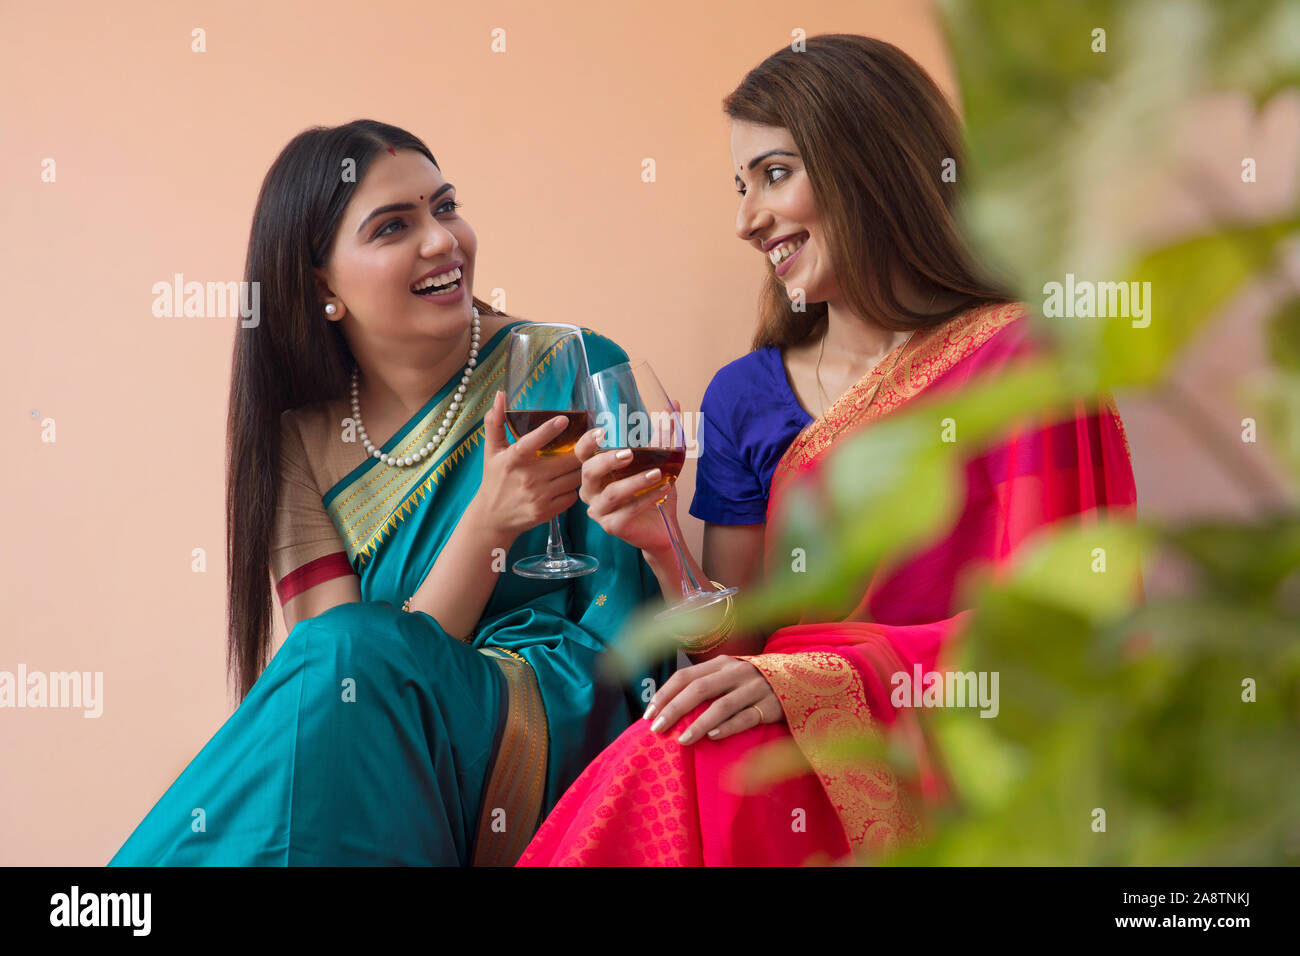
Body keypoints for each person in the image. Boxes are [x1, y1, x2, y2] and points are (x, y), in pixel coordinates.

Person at [517, 35, 1138, 866]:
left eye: (774, 175)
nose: (746, 221)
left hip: (935, 761)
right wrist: (665, 549)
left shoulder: (1026, 360)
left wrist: (813, 683)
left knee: (700, 755)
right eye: (740, 188)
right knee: (694, 746)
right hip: (781, 749)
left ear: (871, 162)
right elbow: (743, 648)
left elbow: (1064, 632)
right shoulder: (745, 394)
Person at [109, 120, 669, 867]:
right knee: (331, 693)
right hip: (398, 758)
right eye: (393, 227)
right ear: (321, 285)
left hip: (562, 721)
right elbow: (350, 687)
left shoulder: (572, 366)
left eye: (445, 207)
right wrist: (487, 526)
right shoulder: (299, 442)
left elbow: (634, 628)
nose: (441, 241)